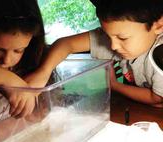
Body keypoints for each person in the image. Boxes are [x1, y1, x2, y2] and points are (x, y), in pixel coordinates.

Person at [33, 0, 163, 108]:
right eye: (108, 36)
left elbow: (157, 98)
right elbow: (66, 44)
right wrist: (43, 72)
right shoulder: (120, 37)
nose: (113, 46)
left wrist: (114, 85)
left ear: (158, 26)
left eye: (122, 38)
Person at [0, 0, 46, 141]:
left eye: (19, 50)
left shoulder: (31, 64)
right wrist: (5, 77)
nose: (7, 60)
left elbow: (40, 114)